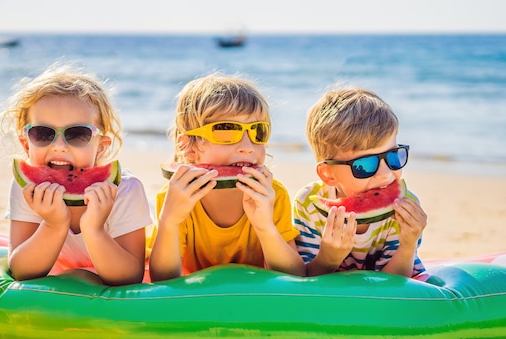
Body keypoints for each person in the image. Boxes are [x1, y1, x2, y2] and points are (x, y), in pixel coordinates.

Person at [1, 63, 152, 285]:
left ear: (101, 146)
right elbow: (22, 271)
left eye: (78, 134)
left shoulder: (125, 191)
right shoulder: (26, 188)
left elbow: (130, 277)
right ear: (26, 144)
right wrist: (54, 225)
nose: (59, 146)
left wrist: (94, 229)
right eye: (43, 133)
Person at [148, 72, 305, 281]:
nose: (247, 148)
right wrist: (169, 221)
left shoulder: (272, 195)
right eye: (227, 130)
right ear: (188, 146)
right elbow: (162, 279)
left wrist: (265, 227)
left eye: (258, 131)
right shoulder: (175, 195)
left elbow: (294, 277)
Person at [293, 87, 427, 277]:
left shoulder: (404, 208)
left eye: (394, 156)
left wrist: (408, 245)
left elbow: (396, 284)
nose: (385, 174)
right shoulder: (309, 204)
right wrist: (328, 258)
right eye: (365, 165)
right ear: (328, 174)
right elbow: (306, 277)